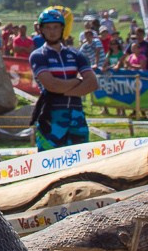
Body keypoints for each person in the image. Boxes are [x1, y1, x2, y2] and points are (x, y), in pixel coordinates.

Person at [28, 8, 97, 151]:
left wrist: (63, 90)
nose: (52, 31)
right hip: (51, 116)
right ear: (41, 30)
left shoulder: (76, 54)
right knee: (49, 164)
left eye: (56, 27)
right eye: (48, 27)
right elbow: (51, 85)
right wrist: (77, 82)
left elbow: (92, 83)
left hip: (77, 115)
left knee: (81, 163)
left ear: (62, 29)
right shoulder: (38, 55)